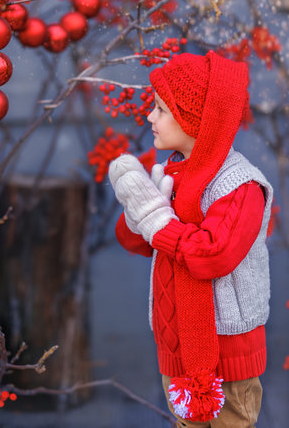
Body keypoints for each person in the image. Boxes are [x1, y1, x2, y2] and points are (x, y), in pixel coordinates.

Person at [108, 51, 273, 427]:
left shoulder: (240, 185)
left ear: (195, 119)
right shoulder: (174, 174)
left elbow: (212, 253)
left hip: (228, 356)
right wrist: (139, 207)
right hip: (176, 346)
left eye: (161, 109)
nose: (150, 116)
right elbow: (135, 241)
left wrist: (156, 218)